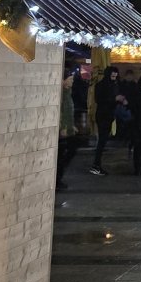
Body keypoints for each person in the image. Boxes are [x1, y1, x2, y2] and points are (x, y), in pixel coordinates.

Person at [91, 66, 124, 175]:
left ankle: (97, 164)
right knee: (102, 141)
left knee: (103, 141)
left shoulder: (114, 85)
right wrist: (115, 99)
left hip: (109, 115)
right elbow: (99, 99)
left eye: (115, 76)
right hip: (103, 115)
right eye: (112, 75)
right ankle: (96, 165)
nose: (114, 77)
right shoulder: (102, 85)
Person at [55, 61, 83, 189]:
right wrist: (62, 127)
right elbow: (60, 111)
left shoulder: (67, 93)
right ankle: (57, 179)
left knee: (71, 150)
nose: (72, 82)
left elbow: (68, 110)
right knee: (61, 155)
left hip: (68, 129)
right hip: (62, 131)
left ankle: (59, 177)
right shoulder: (61, 94)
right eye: (70, 79)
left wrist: (71, 125)